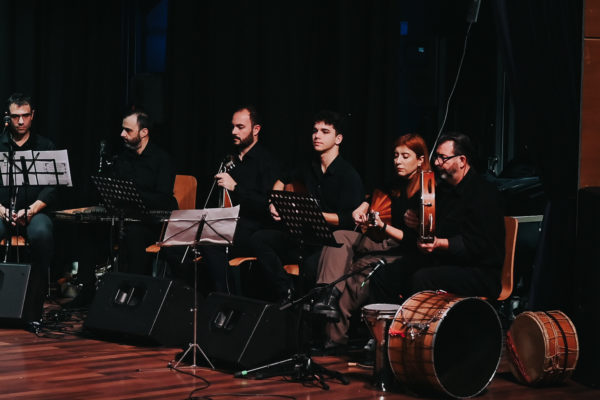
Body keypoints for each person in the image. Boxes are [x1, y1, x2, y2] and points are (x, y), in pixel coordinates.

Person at [312, 133, 431, 348]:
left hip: (403, 249)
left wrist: (383, 226)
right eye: (396, 156)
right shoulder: (396, 182)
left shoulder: (426, 191)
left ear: (420, 160)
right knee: (339, 236)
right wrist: (363, 207)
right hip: (383, 241)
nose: (398, 161)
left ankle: (334, 340)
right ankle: (326, 295)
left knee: (353, 276)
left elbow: (414, 241)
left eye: (405, 156)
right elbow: (373, 195)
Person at [369, 132, 505, 305]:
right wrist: (417, 224)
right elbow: (436, 230)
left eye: (443, 158)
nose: (436, 163)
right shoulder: (442, 192)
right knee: (384, 276)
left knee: (422, 278)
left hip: (479, 271)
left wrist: (439, 243)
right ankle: (391, 322)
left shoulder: (484, 193)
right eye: (436, 157)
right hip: (445, 262)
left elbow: (477, 244)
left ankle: (417, 323)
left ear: (462, 161)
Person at [250, 110, 364, 303]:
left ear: (338, 139)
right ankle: (286, 291)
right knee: (259, 239)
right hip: (304, 236)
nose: (317, 135)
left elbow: (348, 220)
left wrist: (313, 214)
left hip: (329, 244)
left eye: (325, 132)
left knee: (310, 267)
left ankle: (303, 310)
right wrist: (274, 202)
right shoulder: (308, 165)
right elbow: (281, 179)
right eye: (315, 130)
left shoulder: (348, 175)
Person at [199, 105, 279, 294]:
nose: (234, 132)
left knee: (210, 244)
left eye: (240, 127)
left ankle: (226, 299)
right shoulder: (228, 159)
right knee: (181, 244)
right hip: (227, 224)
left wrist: (236, 188)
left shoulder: (267, 162)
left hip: (254, 229)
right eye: (233, 126)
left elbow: (266, 205)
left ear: (256, 129)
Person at [0, 93, 57, 324]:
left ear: (33, 115)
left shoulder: (45, 146)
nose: (21, 121)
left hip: (35, 212)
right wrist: (2, 210)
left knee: (42, 234)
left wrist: (31, 210)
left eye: (25, 116)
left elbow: (52, 187)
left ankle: (34, 303)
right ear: (8, 117)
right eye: (16, 117)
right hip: (3, 211)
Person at [112, 107, 178, 276]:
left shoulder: (162, 159)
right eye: (123, 129)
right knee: (89, 230)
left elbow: (163, 198)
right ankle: (87, 286)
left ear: (144, 132)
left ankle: (135, 286)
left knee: (134, 234)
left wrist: (132, 195)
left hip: (154, 223)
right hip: (127, 218)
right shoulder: (123, 158)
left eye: (128, 130)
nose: (122, 134)